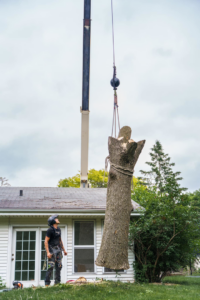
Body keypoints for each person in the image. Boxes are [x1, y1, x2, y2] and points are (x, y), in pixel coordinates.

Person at [44, 214, 67, 286]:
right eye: (56, 218)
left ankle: (57, 283)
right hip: (51, 250)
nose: (57, 219)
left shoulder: (59, 229)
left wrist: (64, 250)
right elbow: (46, 241)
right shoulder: (50, 230)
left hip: (58, 250)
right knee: (50, 267)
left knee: (59, 266)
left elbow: (60, 240)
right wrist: (48, 252)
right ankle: (47, 284)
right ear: (53, 221)